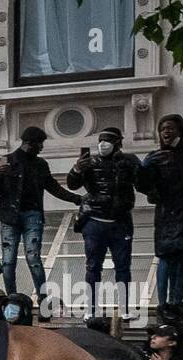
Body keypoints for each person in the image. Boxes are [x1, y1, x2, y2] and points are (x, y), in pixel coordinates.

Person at [0, 126, 82, 303]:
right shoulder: (7, 162)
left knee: (21, 258)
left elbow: (52, 186)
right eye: (39, 144)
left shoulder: (20, 162)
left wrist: (75, 198)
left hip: (14, 215)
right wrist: (75, 199)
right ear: (29, 143)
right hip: (22, 215)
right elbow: (53, 187)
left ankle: (24, 298)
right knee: (18, 259)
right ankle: (26, 298)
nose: (41, 148)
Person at [68, 127, 141, 327]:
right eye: (101, 140)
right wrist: (76, 169)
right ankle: (92, 309)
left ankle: (125, 308)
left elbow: (143, 182)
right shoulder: (89, 162)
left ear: (117, 143)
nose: (103, 144)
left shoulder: (129, 161)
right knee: (93, 267)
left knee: (123, 267)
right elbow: (72, 184)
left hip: (120, 222)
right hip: (95, 221)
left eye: (108, 140)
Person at [137, 115, 183, 310]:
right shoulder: (154, 158)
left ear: (181, 131)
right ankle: (164, 302)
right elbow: (143, 184)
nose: (167, 132)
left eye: (171, 128)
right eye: (163, 129)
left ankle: (177, 300)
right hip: (167, 214)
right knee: (167, 257)